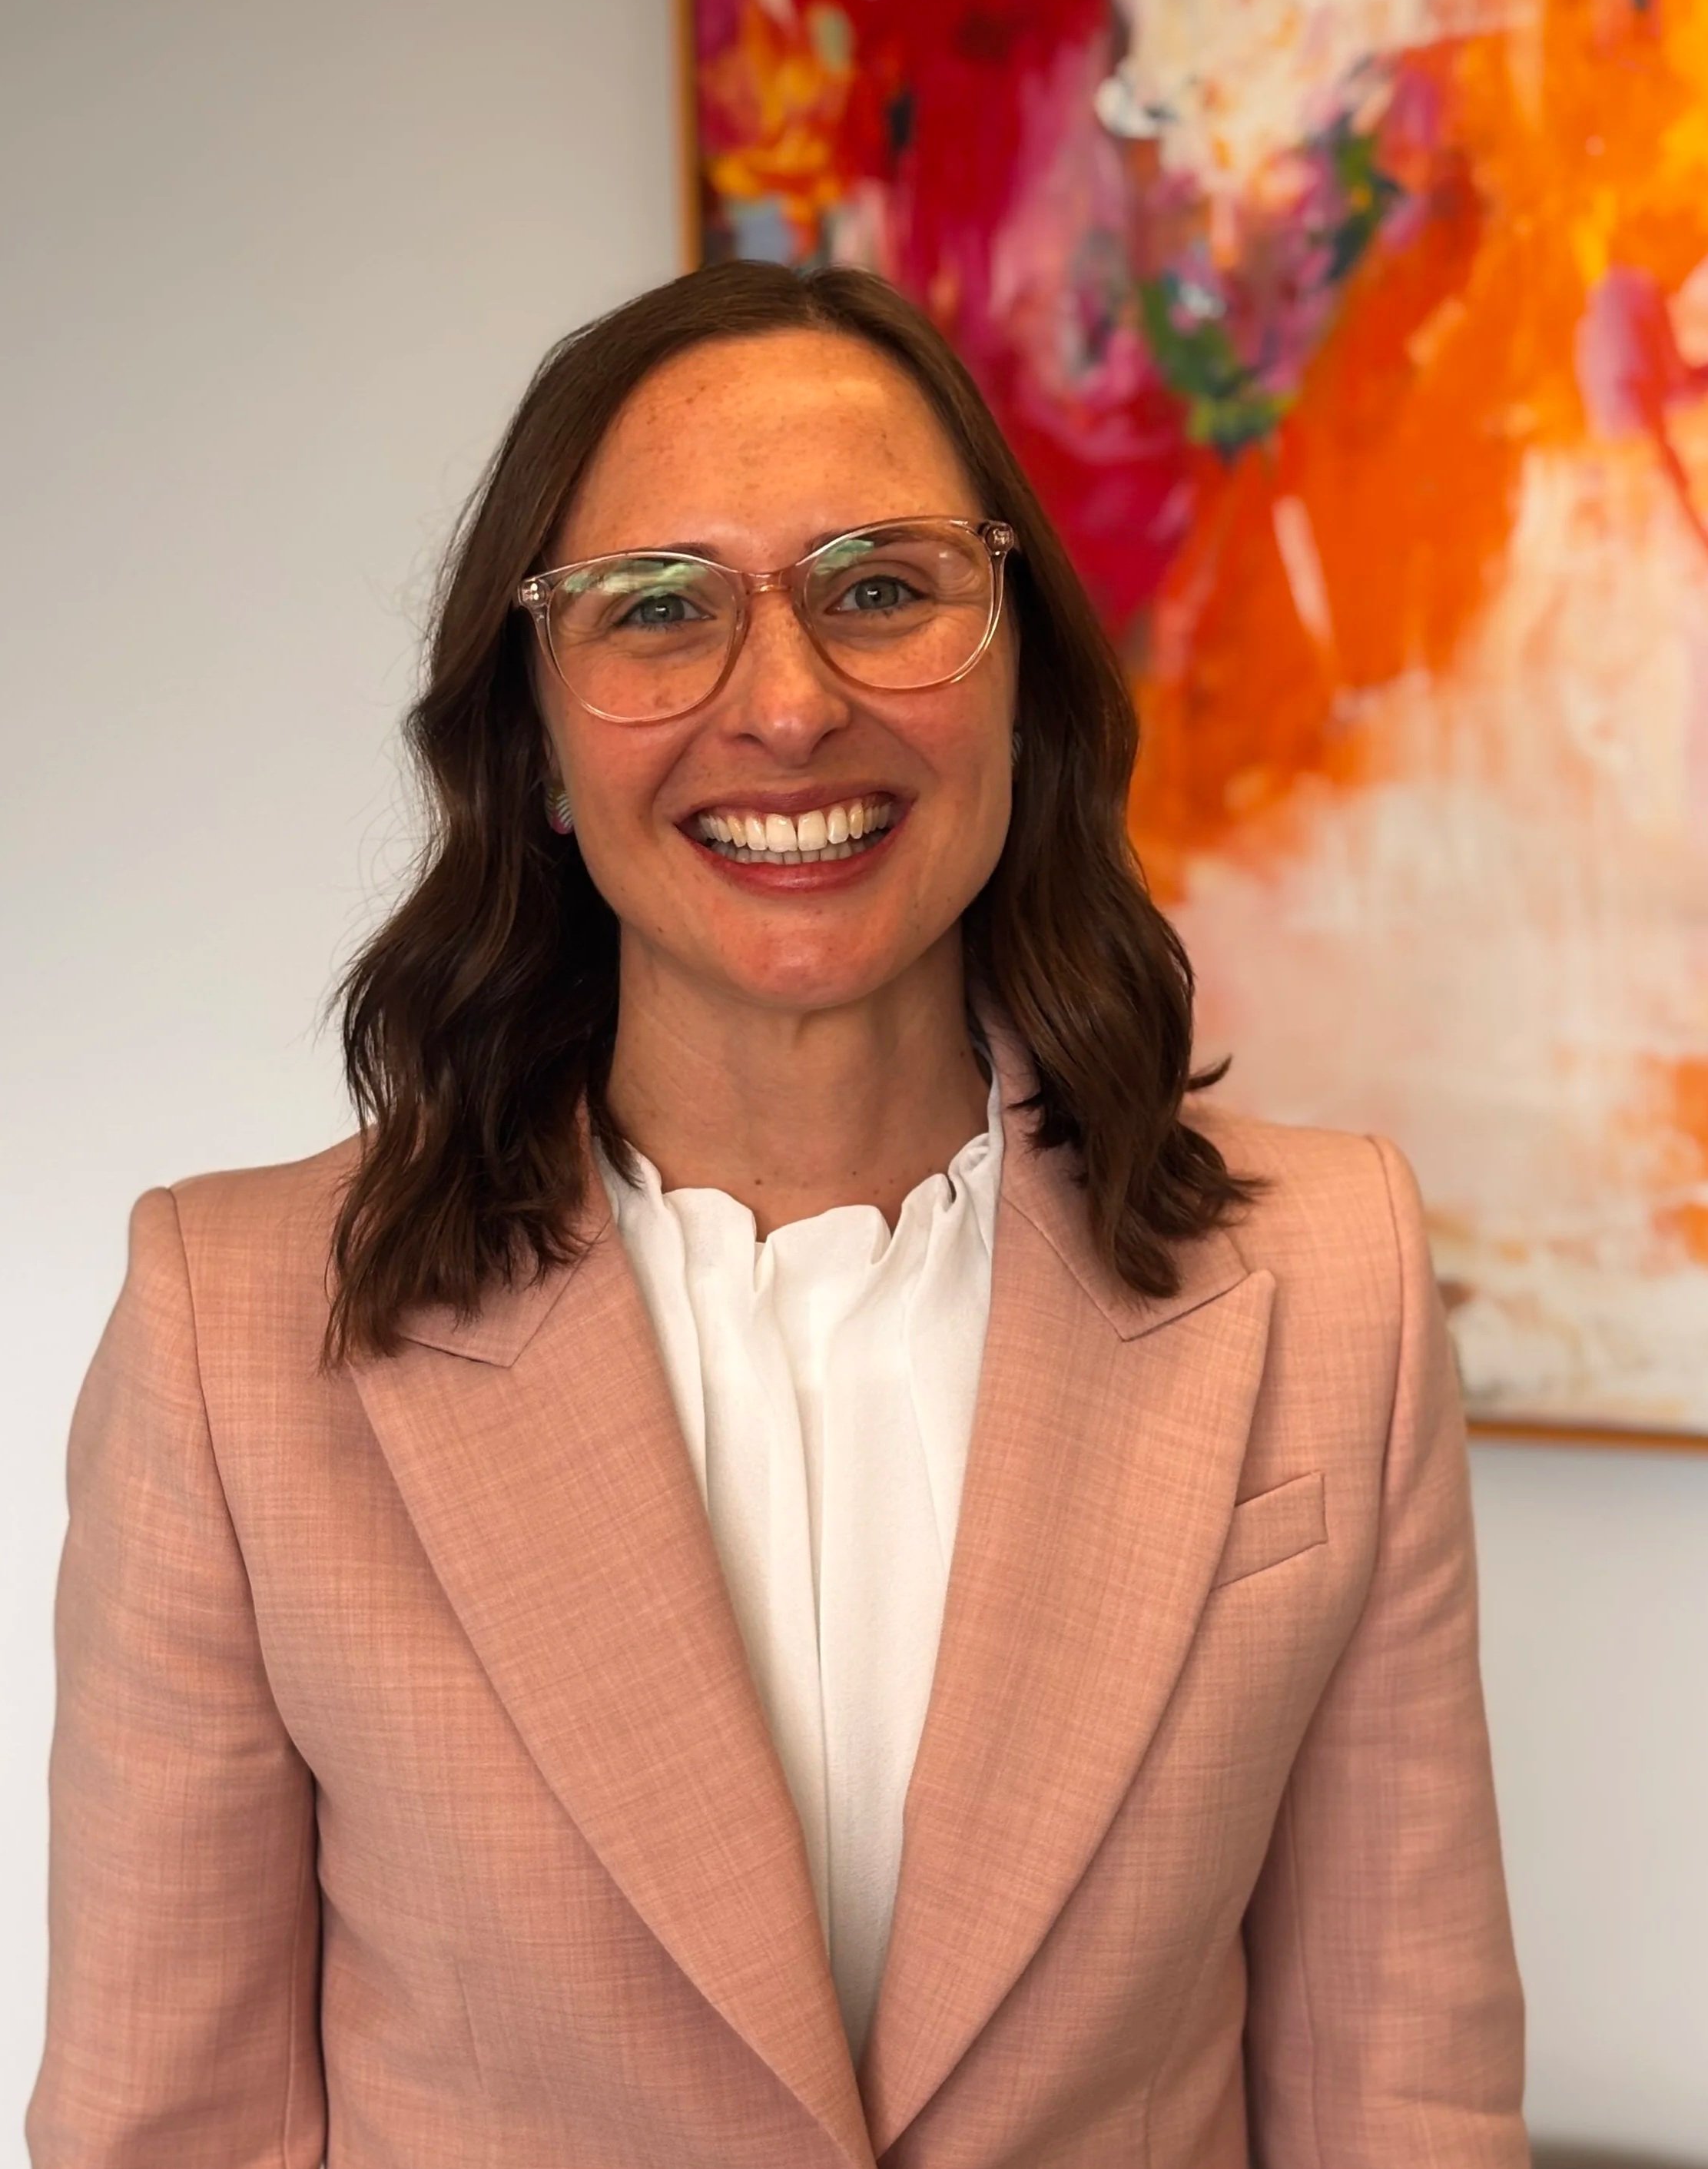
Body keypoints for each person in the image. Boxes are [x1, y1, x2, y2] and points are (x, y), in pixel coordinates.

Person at [27, 260, 1529, 2168]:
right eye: (659, 613)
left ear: (1018, 682)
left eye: (880, 590)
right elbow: (171, 2130)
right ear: (540, 749)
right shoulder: (228, 1337)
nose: (791, 706)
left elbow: (1396, 2102)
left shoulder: (1333, 1285)